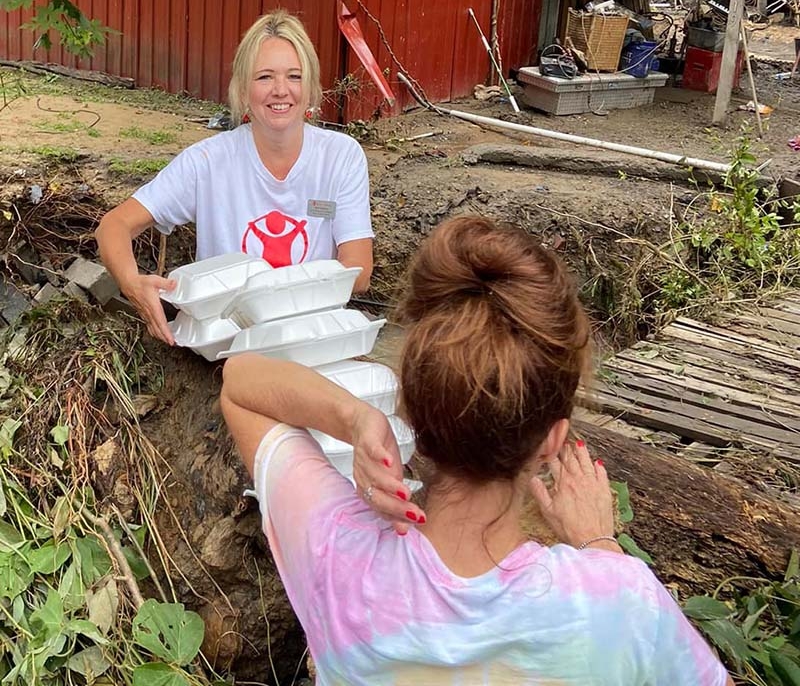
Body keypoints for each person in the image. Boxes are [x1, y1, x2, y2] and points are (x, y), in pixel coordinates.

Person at [220, 216, 733, 685]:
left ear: (413, 414)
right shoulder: (621, 605)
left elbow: (240, 384)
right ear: (552, 441)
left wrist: (356, 419)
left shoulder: (336, 553)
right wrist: (600, 546)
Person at [96, 10, 374, 345]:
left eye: (295, 76)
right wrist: (132, 283)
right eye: (265, 77)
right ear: (242, 90)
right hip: (225, 346)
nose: (281, 90)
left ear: (312, 88)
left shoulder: (341, 157)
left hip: (310, 341)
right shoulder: (208, 162)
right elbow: (113, 225)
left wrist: (275, 302)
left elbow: (358, 272)